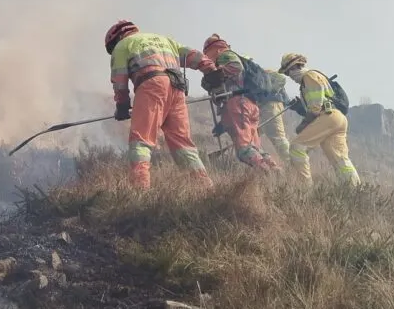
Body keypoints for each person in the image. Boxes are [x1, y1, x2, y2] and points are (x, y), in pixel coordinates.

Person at [106, 20, 215, 189]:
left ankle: (140, 190)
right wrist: (210, 70)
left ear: (116, 39)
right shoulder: (164, 40)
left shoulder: (123, 45)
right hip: (177, 89)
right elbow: (194, 56)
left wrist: (122, 106)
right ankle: (205, 188)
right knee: (183, 145)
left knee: (140, 142)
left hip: (152, 86)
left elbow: (119, 80)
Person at [190, 34, 279, 171]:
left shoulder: (224, 54)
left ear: (214, 49)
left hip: (238, 103)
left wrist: (215, 75)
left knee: (244, 149)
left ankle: (267, 173)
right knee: (255, 147)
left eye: (207, 54)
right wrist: (224, 123)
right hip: (249, 105)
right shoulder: (230, 55)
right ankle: (275, 171)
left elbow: (236, 67)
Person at [278, 52, 361, 186]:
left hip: (328, 117)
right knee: (339, 159)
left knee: (297, 148)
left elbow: (315, 107)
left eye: (288, 72)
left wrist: (303, 125)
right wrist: (300, 107)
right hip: (337, 118)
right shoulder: (310, 79)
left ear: (295, 67)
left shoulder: (309, 76)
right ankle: (355, 189)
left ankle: (304, 189)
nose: (290, 76)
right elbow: (317, 103)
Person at [257, 69, 292, 161]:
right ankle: (265, 162)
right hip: (265, 108)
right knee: (252, 137)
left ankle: (292, 164)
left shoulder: (258, 73)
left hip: (270, 107)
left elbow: (281, 78)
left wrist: (269, 93)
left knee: (278, 138)